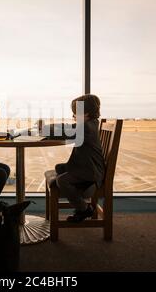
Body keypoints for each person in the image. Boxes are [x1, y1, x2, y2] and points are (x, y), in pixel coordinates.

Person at [41, 94, 105, 223]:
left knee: (61, 180)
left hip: (90, 171)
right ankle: (81, 198)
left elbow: (66, 132)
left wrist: (46, 129)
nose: (73, 116)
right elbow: (67, 127)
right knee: (59, 167)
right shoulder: (90, 124)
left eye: (75, 113)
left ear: (85, 113)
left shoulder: (86, 128)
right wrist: (50, 127)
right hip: (88, 166)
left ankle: (83, 208)